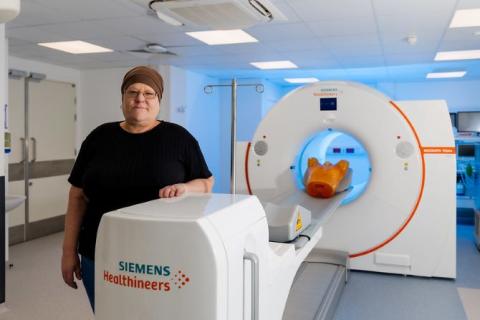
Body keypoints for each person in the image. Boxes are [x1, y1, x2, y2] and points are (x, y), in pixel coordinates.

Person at [61, 66, 214, 311]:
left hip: (159, 257)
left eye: (148, 93)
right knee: (107, 313)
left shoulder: (179, 139)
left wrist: (185, 188)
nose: (140, 98)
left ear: (159, 100)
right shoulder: (99, 138)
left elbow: (206, 183)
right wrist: (68, 252)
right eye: (132, 92)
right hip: (99, 251)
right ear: (122, 99)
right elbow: (77, 196)